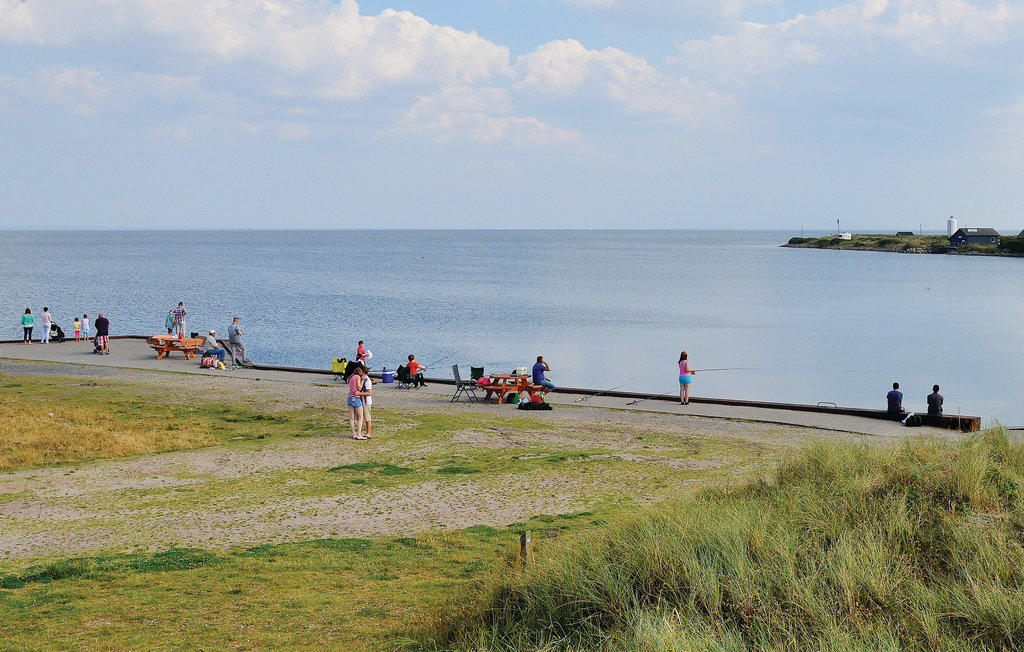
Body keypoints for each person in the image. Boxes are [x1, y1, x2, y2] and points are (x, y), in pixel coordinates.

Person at [348, 366, 366, 439]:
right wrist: (362, 381)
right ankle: (359, 434)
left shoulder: (351, 378)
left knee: (352, 417)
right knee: (360, 417)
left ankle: (354, 433)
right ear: (359, 372)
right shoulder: (357, 377)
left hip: (350, 398)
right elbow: (359, 388)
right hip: (356, 398)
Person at [360, 364, 373, 439]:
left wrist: (360, 393)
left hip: (366, 402)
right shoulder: (361, 379)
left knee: (367, 417)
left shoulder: (367, 381)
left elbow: (369, 392)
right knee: (361, 417)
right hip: (361, 401)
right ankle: (361, 432)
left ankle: (368, 433)